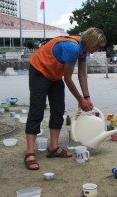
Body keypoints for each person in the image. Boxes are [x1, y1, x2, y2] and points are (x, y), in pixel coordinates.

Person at [24, 27, 107, 170]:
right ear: (91, 41)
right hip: (40, 69)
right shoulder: (72, 47)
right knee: (37, 108)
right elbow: (68, 78)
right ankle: (30, 152)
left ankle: (53, 148)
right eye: (97, 45)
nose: (97, 49)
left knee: (58, 109)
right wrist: (80, 100)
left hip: (54, 74)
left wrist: (86, 97)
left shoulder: (83, 51)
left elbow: (81, 75)